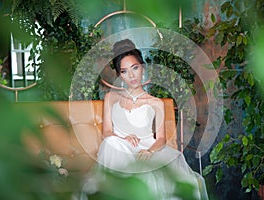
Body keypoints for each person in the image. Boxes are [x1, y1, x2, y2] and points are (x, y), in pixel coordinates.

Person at [81, 39, 209, 200]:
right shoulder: (111, 98)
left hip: (148, 148)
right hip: (119, 146)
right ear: (119, 75)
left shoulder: (156, 103)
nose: (131, 75)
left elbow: (161, 138)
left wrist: (149, 151)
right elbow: (107, 132)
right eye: (124, 71)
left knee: (150, 172)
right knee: (111, 143)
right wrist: (124, 138)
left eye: (135, 68)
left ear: (143, 67)